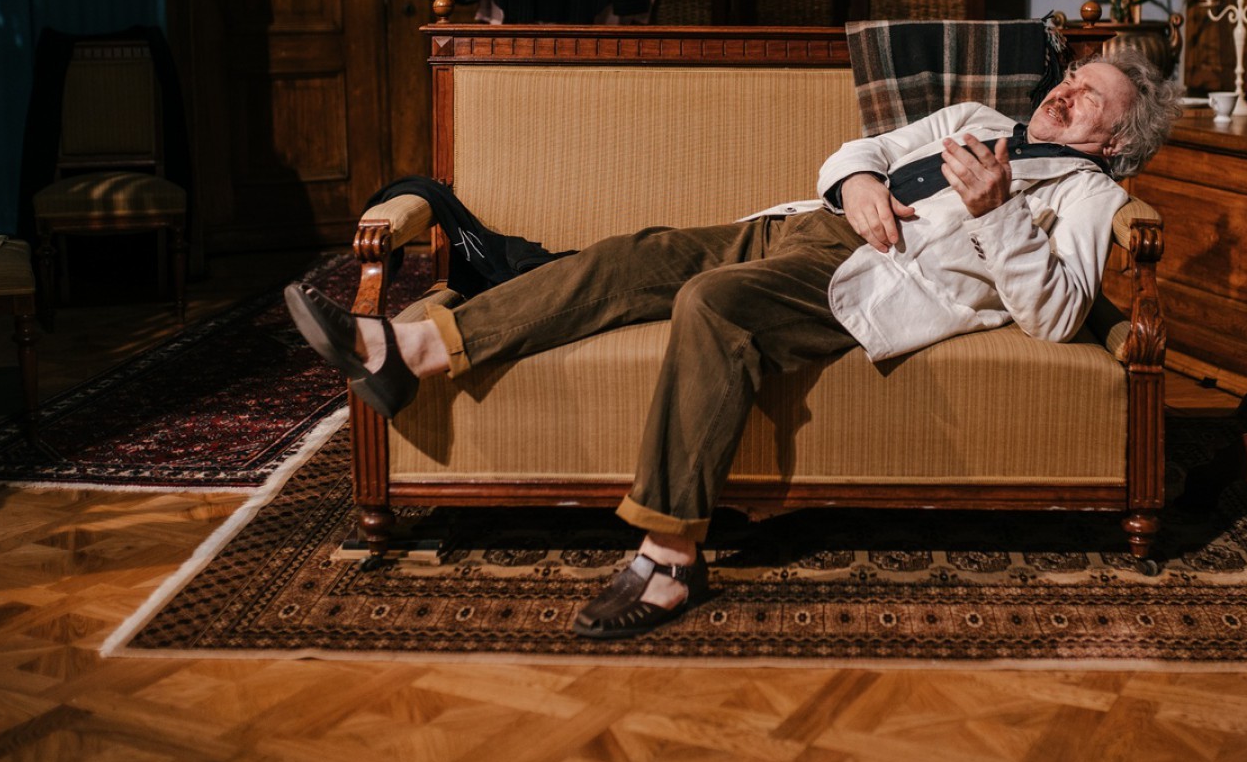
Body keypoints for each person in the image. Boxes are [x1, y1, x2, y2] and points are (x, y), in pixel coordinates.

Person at [285, 49, 1180, 639]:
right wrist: (859, 183)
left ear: (1116, 140)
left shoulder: (1088, 197)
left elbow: (1055, 312)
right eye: (1073, 74)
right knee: (635, 256)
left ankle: (669, 558)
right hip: (796, 228)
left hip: (861, 279)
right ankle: (411, 353)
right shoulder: (977, 116)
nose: (1067, 89)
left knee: (712, 305)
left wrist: (995, 213)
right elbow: (861, 148)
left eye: (1091, 96)